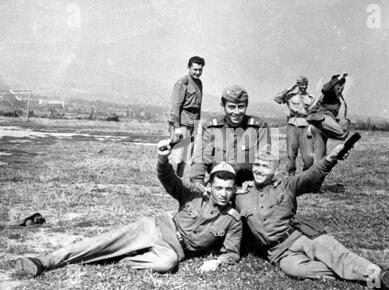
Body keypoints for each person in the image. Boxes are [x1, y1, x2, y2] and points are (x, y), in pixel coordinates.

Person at [15, 139, 242, 277]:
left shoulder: (232, 219)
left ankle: (116, 259)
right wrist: (163, 159)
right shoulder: (193, 192)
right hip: (155, 228)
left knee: (166, 264)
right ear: (209, 185)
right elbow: (168, 178)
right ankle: (44, 261)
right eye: (219, 187)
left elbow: (231, 252)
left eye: (228, 189)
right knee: (102, 242)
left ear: (234, 190)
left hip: (174, 251)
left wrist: (217, 261)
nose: (223, 193)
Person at [234, 145, 389, 290]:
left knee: (337, 255)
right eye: (257, 165)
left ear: (276, 171)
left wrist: (331, 158)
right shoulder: (242, 195)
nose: (259, 170)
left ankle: (380, 278)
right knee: (297, 270)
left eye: (265, 166)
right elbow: (217, 195)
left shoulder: (286, 185)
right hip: (279, 253)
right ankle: (356, 274)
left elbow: (311, 175)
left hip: (302, 235)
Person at [190, 85, 271, 187]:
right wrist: (198, 186)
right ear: (223, 106)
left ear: (246, 106)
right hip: (219, 186)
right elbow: (200, 161)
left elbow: (266, 161)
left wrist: (255, 184)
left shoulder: (258, 127)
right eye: (231, 107)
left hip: (247, 186)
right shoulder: (210, 128)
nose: (236, 112)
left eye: (241, 107)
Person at [169, 56, 205, 177]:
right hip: (182, 123)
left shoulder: (199, 83)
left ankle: (180, 182)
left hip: (192, 123)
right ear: (188, 68)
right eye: (195, 69)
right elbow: (175, 107)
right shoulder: (182, 83)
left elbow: (198, 107)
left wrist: (196, 126)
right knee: (178, 156)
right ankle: (172, 181)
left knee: (187, 156)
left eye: (200, 70)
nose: (197, 72)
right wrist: (177, 127)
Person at [274, 76, 315, 175]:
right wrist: (290, 89)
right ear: (298, 85)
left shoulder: (311, 97)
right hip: (293, 125)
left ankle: (305, 178)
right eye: (301, 84)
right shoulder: (291, 96)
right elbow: (277, 98)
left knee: (309, 156)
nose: (304, 87)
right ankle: (291, 177)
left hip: (306, 126)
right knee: (291, 154)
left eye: (305, 84)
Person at [307, 72, 351, 160]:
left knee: (320, 157)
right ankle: (338, 154)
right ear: (338, 85)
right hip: (324, 120)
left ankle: (313, 127)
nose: (343, 88)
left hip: (319, 125)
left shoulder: (329, 96)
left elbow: (314, 108)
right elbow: (325, 88)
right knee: (342, 133)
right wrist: (340, 77)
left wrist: (311, 119)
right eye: (343, 86)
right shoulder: (330, 93)